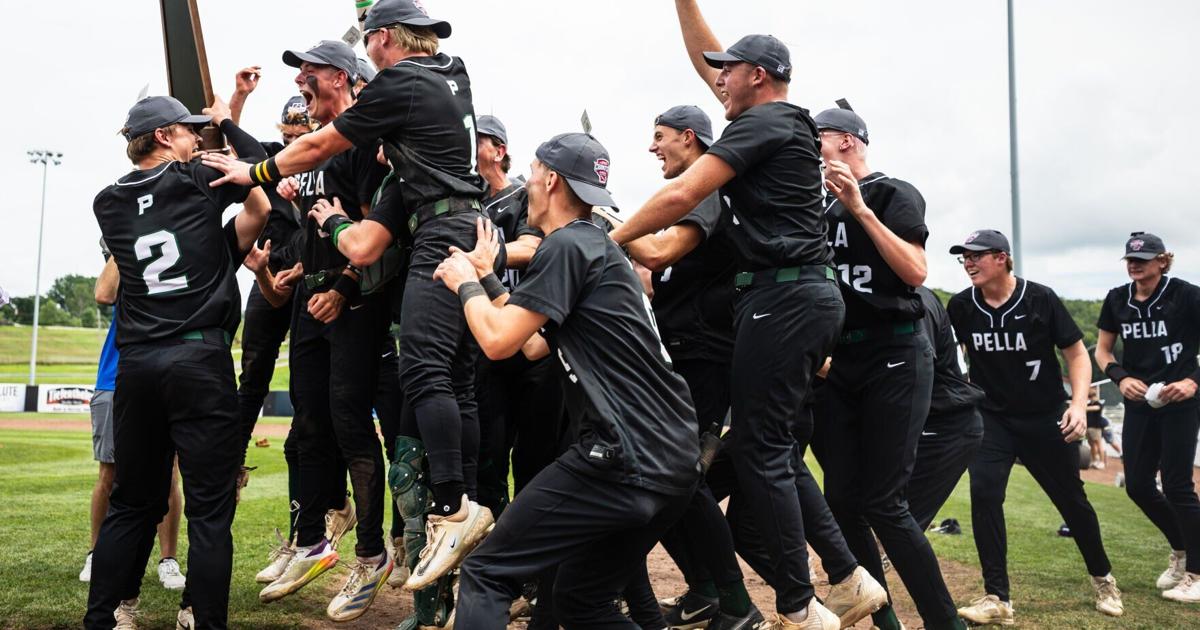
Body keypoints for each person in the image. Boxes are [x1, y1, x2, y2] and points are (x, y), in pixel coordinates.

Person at [201, 0, 495, 591]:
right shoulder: (451, 71)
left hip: (435, 233)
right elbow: (362, 223)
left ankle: (451, 511)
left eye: (369, 38)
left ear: (382, 38)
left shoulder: (400, 83)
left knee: (423, 376)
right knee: (449, 383)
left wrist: (254, 174)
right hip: (451, 220)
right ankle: (446, 513)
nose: (367, 50)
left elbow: (320, 149)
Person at [608, 3, 850, 626]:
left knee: (763, 452)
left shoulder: (764, 122)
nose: (718, 80)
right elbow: (706, 62)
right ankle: (844, 578)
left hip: (784, 297)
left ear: (758, 76)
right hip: (795, 296)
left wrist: (609, 239)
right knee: (767, 452)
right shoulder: (774, 119)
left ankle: (801, 600)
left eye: (730, 71)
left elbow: (685, 192)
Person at [444, 132, 698, 629]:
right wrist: (488, 278)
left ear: (552, 181)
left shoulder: (565, 245)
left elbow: (496, 342)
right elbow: (532, 345)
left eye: (535, 172)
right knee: (583, 600)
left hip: (622, 456)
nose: (527, 183)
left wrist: (465, 283)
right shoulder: (595, 247)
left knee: (487, 571)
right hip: (674, 458)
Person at [84, 94, 270, 630]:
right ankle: (204, 620)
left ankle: (101, 619)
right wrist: (228, 138)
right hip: (197, 358)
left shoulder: (106, 201)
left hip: (137, 364)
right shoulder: (195, 178)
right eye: (187, 131)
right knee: (210, 510)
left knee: (130, 503)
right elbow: (260, 199)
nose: (195, 138)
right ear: (164, 136)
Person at [243, 40, 394, 622]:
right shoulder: (313, 152)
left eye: (310, 71)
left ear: (343, 77)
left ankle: (373, 553)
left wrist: (345, 287)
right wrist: (297, 270)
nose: (300, 80)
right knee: (307, 425)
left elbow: (381, 232)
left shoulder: (363, 143)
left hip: (353, 303)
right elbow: (318, 224)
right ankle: (309, 542)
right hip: (310, 299)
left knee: (351, 426)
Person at [807, 103, 962, 630]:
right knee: (841, 499)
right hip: (840, 362)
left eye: (818, 138)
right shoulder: (817, 209)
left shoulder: (892, 192)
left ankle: (946, 623)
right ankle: (885, 619)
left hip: (894, 350)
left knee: (884, 502)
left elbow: (916, 272)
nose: (812, 148)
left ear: (847, 141)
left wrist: (860, 209)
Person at [620, 105, 760, 628]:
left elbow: (658, 253)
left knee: (681, 481)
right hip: (682, 354)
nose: (652, 147)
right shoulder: (688, 199)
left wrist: (602, 220)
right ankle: (705, 591)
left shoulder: (704, 191)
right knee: (669, 485)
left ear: (689, 137)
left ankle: (737, 603)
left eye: (659, 136)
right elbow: (661, 277)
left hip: (705, 357)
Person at [945, 229, 1123, 625]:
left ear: (1002, 258)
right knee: (984, 494)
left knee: (1071, 501)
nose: (969, 263)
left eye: (976, 255)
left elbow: (1077, 355)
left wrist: (1078, 405)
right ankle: (997, 597)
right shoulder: (961, 306)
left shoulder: (1040, 298)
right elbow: (951, 355)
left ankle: (1103, 579)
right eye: (964, 257)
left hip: (1044, 416)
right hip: (992, 417)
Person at [1094, 232, 1200, 602]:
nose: (1135, 264)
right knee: (1138, 485)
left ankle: (1197, 573)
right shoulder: (1116, 299)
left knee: (1177, 485)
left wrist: (1192, 381)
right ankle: (1183, 550)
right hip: (1139, 402)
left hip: (1180, 400)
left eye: (1144, 258)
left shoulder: (1186, 295)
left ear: (1162, 261)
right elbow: (1103, 350)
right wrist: (1120, 378)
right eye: (1131, 259)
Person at [471, 114, 565, 519]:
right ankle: (492, 540)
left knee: (535, 455)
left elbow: (532, 246)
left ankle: (530, 543)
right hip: (489, 345)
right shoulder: (466, 200)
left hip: (534, 341)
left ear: (499, 150)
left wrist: (485, 258)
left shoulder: (524, 196)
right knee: (487, 453)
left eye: (476, 139)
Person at [82, 251, 185, 592]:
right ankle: (96, 553)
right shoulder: (124, 268)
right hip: (114, 379)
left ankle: (168, 560)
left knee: (169, 474)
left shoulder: (172, 273)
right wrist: (120, 245)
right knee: (109, 473)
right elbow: (103, 294)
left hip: (165, 377)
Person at [905, 286, 985, 530]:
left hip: (945, 422)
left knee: (894, 524)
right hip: (941, 417)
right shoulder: (918, 296)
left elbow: (917, 368)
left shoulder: (916, 301)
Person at [1085, 388, 1108, 470]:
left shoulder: (1098, 404)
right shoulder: (1089, 404)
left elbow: (1096, 408)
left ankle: (1102, 462)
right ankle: (1094, 461)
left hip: (1096, 428)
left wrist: (1083, 407)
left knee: (1098, 444)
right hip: (1089, 428)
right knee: (1092, 445)